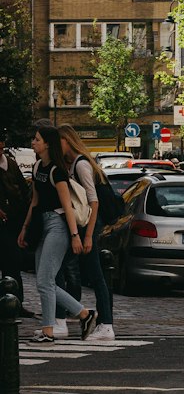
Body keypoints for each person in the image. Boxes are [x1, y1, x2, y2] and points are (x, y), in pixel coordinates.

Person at [16, 121, 96, 344]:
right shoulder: (37, 167)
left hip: (58, 227)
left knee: (44, 280)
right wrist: (25, 228)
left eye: (37, 139)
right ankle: (82, 315)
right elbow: (34, 201)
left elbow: (67, 207)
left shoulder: (57, 172)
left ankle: (52, 329)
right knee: (45, 282)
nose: (33, 142)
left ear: (47, 144)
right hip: (42, 225)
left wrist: (74, 235)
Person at [57, 127, 116, 341]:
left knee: (96, 274)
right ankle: (92, 320)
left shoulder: (81, 164)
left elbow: (94, 200)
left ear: (67, 141)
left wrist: (88, 235)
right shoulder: (72, 164)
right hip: (85, 224)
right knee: (89, 272)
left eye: (58, 142)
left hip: (90, 224)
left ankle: (106, 324)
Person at [0, 130, 30, 307]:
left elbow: (22, 190)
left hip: (12, 221)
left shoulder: (10, 164)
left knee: (12, 263)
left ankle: (15, 302)